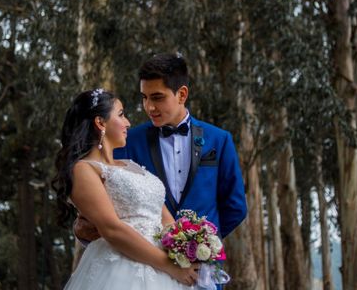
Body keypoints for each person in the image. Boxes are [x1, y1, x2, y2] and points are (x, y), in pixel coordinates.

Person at [77, 53, 247, 244]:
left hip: (204, 263)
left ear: (182, 94)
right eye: (144, 98)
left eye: (157, 98)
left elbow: (235, 206)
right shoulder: (127, 141)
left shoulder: (219, 140)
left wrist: (205, 244)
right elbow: (103, 206)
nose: (149, 107)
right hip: (146, 260)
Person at [54, 88, 199, 289]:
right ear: (100, 122)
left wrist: (184, 249)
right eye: (121, 114)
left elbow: (163, 215)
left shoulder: (131, 165)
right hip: (122, 268)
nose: (128, 122)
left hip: (167, 269)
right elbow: (112, 229)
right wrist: (169, 267)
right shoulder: (84, 169)